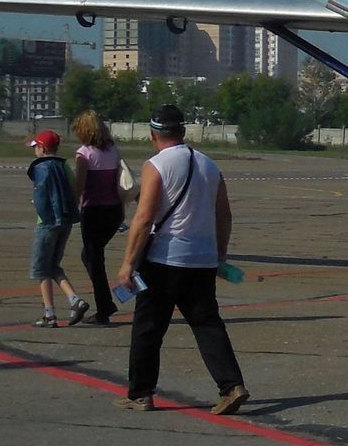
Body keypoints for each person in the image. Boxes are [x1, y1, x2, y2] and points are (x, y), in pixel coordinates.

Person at [114, 104, 248, 415]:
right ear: (183, 132)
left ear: (152, 135)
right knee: (207, 324)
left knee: (148, 328)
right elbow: (224, 214)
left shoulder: (156, 165)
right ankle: (231, 386)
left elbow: (144, 217)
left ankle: (141, 393)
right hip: (201, 261)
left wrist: (128, 263)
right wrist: (220, 254)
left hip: (164, 259)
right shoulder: (209, 165)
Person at [70, 110, 128, 324]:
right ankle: (105, 303)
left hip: (93, 210)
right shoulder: (113, 150)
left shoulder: (84, 154)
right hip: (113, 211)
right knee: (91, 255)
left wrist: (71, 208)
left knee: (94, 258)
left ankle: (104, 307)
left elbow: (80, 186)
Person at [26, 130, 88, 327]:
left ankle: (50, 313)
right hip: (66, 221)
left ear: (43, 148)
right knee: (53, 265)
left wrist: (40, 207)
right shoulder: (64, 166)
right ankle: (74, 300)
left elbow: (42, 195)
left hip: (47, 223)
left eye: (36, 146)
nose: (34, 150)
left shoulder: (41, 167)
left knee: (41, 268)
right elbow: (74, 188)